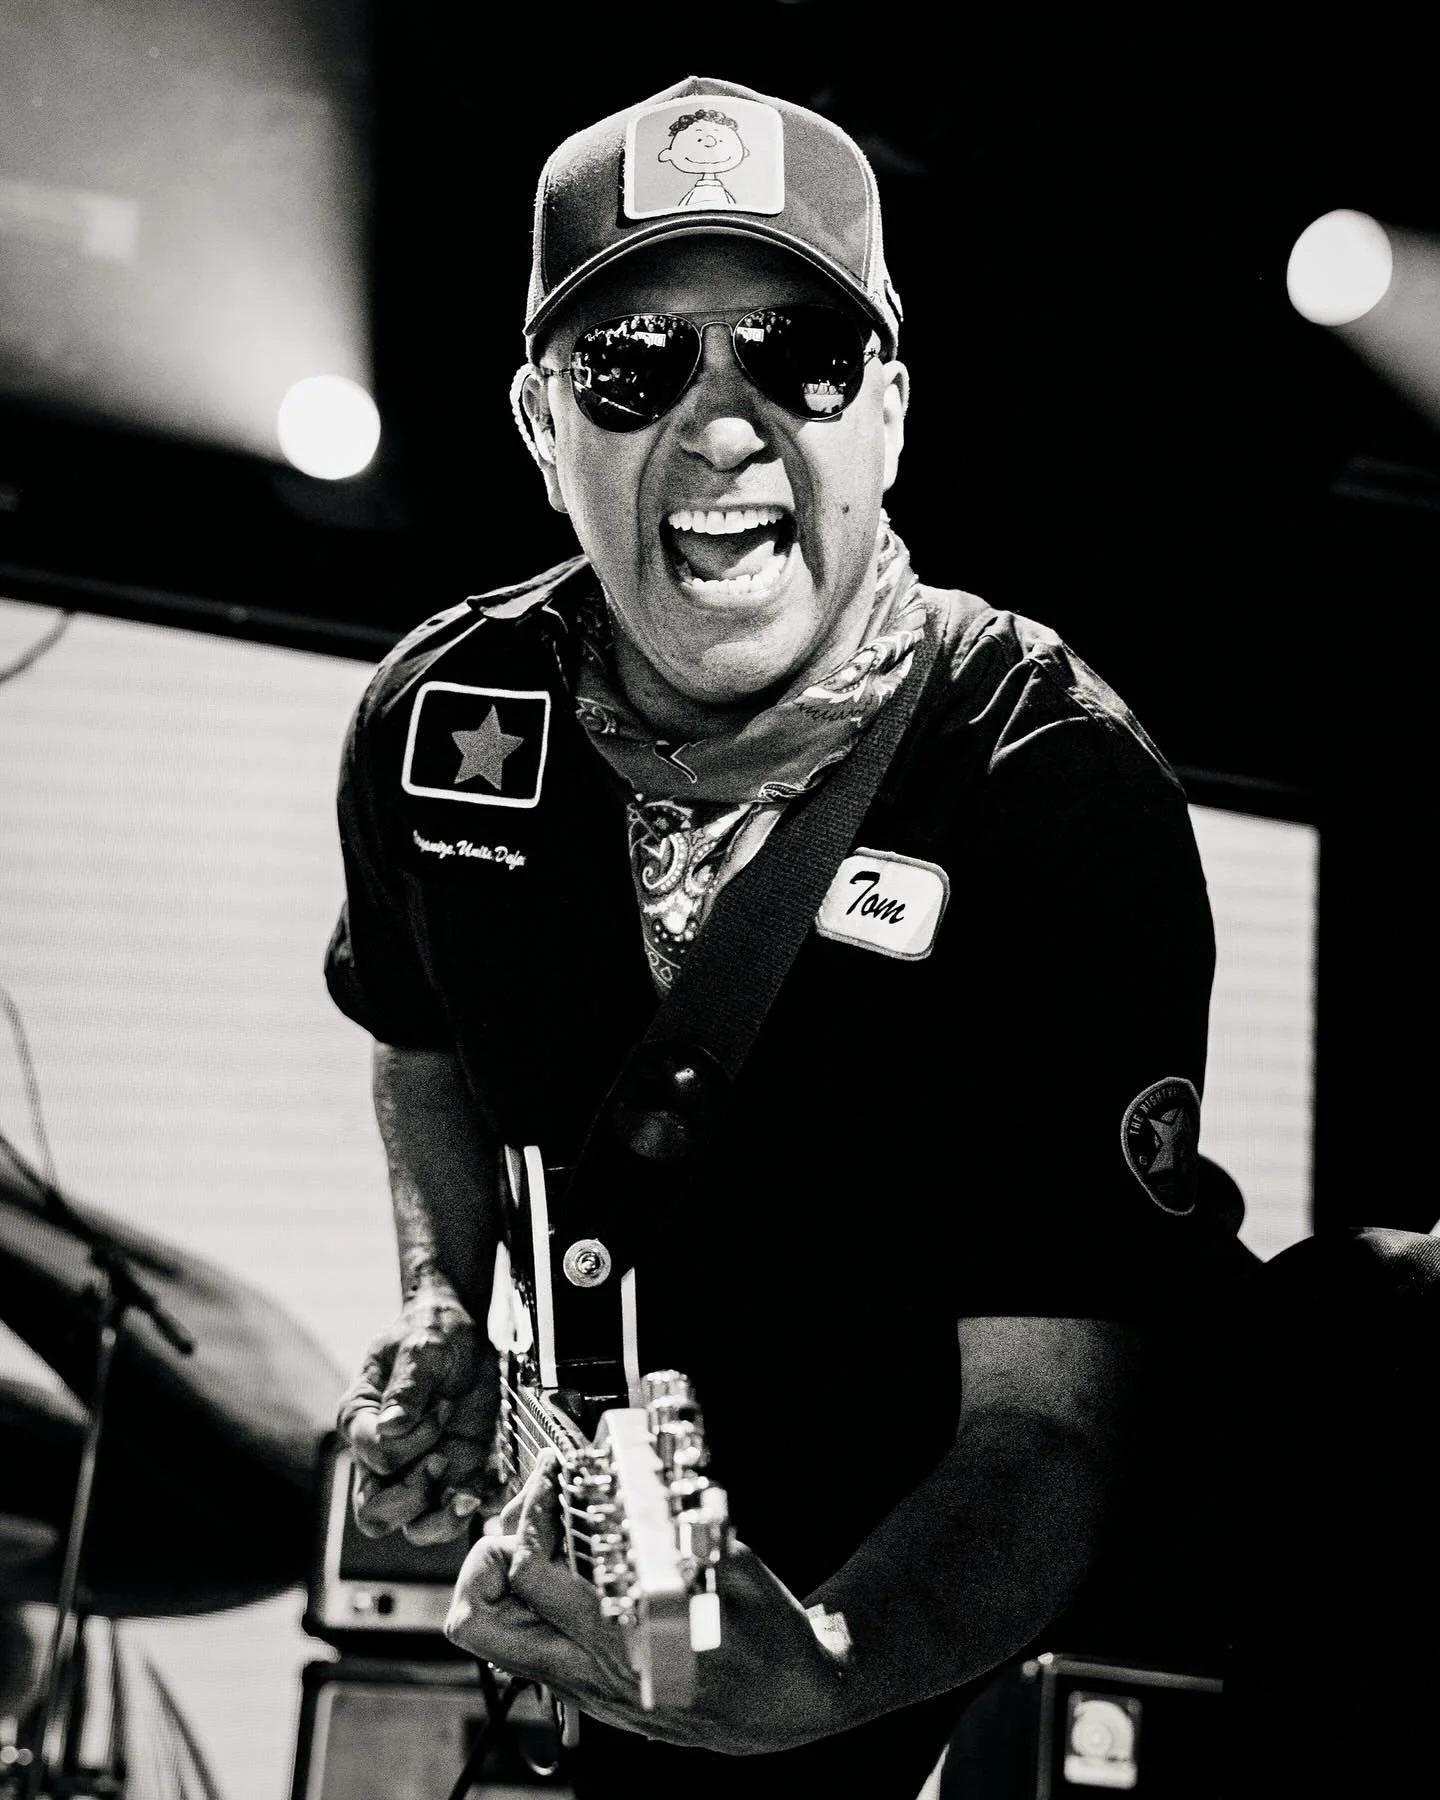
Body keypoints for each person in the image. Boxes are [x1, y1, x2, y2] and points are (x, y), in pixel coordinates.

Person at [327, 75, 1244, 1799]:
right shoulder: (438, 720)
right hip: (633, 1650)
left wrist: (828, 1678)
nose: (724, 427)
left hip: (960, 1686)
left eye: (799, 355)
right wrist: (444, 1301)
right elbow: (419, 1036)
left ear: (887, 410)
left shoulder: (1051, 789)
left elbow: (1048, 1426)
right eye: (634, 365)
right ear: (540, 425)